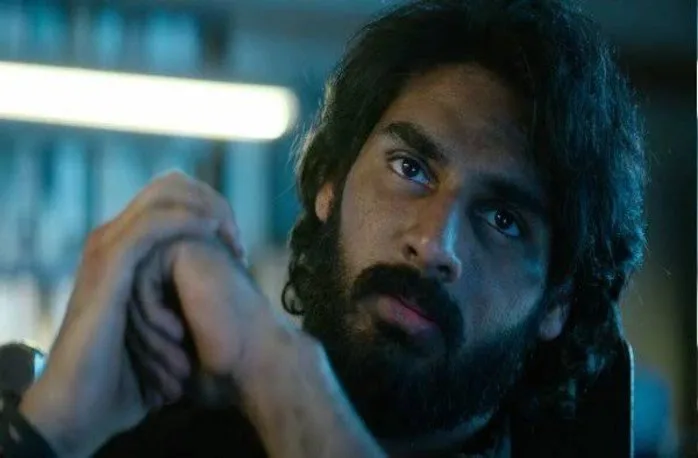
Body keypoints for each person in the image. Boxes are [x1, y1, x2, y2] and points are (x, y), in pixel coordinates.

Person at [0, 0, 646, 456]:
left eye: (503, 220)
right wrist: (52, 431)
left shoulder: (271, 371)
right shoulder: (150, 435)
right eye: (410, 167)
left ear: (557, 302)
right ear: (330, 184)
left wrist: (278, 373)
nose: (434, 244)